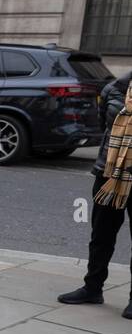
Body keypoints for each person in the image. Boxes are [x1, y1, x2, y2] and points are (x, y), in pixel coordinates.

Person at [58, 88, 132, 318]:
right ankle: (92, 288)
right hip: (109, 173)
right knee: (101, 234)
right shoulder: (115, 90)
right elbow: (105, 126)